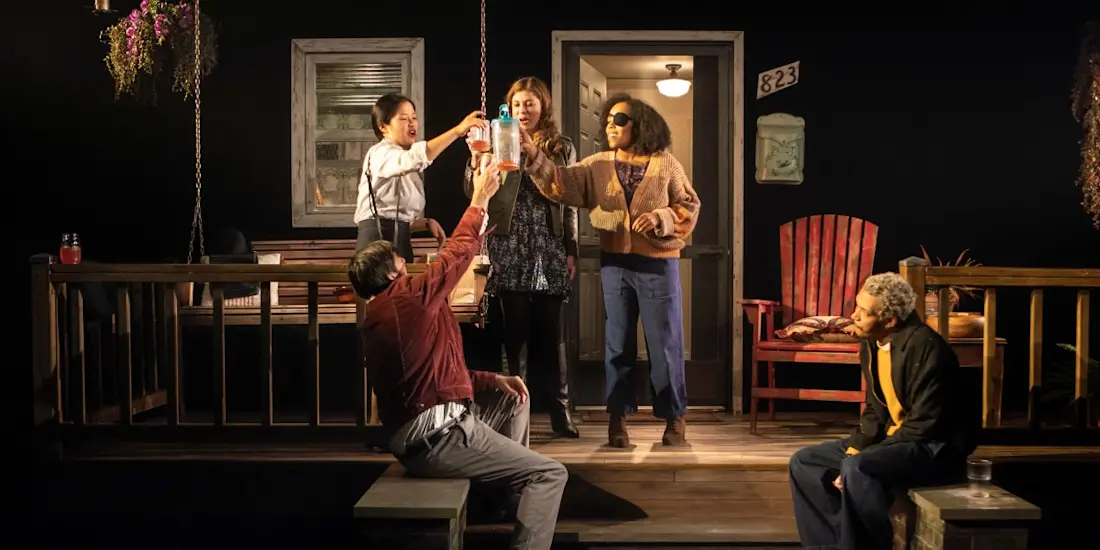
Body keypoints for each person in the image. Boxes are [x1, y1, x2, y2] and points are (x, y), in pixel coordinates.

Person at [349, 154, 568, 550]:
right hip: (439, 439)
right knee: (550, 474)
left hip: (430, 430)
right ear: (392, 273)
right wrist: (479, 199)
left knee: (513, 396)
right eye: (400, 258)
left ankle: (507, 501)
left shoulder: (394, 311)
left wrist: (492, 379)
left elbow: (435, 377)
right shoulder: (405, 301)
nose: (406, 261)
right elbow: (453, 258)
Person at [520, 93, 701, 448]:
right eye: (607, 121)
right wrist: (532, 155)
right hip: (615, 264)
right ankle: (617, 419)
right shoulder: (598, 164)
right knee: (617, 346)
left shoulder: (666, 164)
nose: (610, 126)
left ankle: (674, 417)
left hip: (658, 265)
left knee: (665, 346)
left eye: (619, 120)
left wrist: (662, 217)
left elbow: (689, 205)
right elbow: (560, 183)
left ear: (641, 125)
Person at [787, 272, 978, 550]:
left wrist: (863, 456)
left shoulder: (926, 348)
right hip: (896, 439)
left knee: (857, 468)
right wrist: (856, 447)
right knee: (805, 462)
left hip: (932, 447)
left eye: (864, 313)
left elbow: (925, 425)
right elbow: (875, 409)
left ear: (890, 321)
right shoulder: (872, 343)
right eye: (857, 307)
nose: (853, 316)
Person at [463, 76, 580, 438]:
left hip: (547, 243)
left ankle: (560, 410)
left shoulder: (561, 146)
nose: (523, 110)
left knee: (552, 335)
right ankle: (515, 410)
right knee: (514, 335)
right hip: (510, 242)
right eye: (516, 104)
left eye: (530, 103)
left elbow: (568, 195)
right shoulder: (499, 140)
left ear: (543, 105)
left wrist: (571, 248)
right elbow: (473, 192)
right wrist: (475, 161)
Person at [354, 92, 488, 260]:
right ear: (384, 127)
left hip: (399, 241)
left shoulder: (402, 156)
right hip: (375, 243)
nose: (412, 123)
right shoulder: (380, 153)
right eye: (404, 118)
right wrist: (457, 131)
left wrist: (425, 222)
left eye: (414, 117)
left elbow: (392, 213)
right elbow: (416, 158)